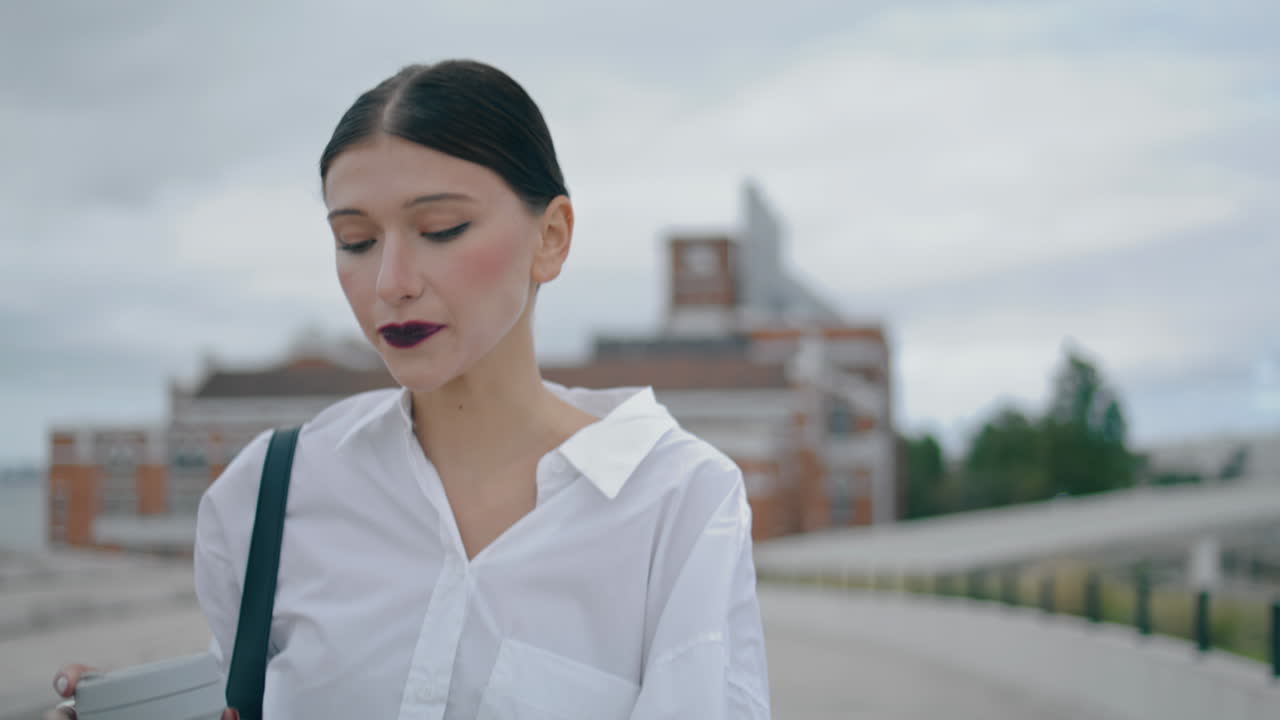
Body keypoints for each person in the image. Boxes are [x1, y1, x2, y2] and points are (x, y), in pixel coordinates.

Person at [49, 59, 770, 719]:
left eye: (441, 228)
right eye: (355, 241)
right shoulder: (266, 496)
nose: (391, 282)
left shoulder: (678, 500)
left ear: (551, 237)